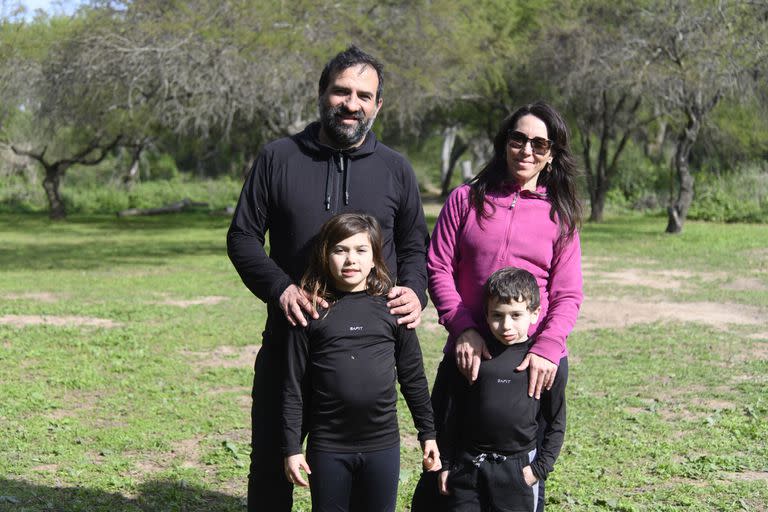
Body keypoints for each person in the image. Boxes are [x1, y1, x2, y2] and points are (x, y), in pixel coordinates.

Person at [227, 46, 429, 512]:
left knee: (359, 483)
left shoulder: (396, 169)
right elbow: (242, 237)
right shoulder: (279, 157)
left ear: (378, 105)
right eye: (341, 91)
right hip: (292, 341)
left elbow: (416, 244)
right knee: (272, 468)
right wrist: (281, 289)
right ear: (323, 94)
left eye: (364, 95)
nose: (351, 103)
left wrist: (414, 292)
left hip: (369, 356)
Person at [413, 101, 582, 511]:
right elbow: (437, 267)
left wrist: (547, 348)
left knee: (515, 491)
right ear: (504, 142)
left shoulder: (560, 215)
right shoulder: (465, 199)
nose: (526, 150)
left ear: (552, 153)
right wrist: (463, 327)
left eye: (539, 144)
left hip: (532, 361)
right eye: (518, 139)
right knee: (442, 484)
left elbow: (567, 294)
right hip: (470, 349)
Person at [282, 213, 441, 512]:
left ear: (374, 258)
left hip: (382, 445)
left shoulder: (394, 309)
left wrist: (428, 433)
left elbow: (413, 377)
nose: (350, 259)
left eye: (360, 250)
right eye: (340, 250)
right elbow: (293, 387)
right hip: (328, 447)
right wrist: (292, 447)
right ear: (325, 256)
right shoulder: (312, 313)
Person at [437, 267, 566, 512]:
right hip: (467, 468)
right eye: (497, 315)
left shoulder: (543, 365)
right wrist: (446, 464)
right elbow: (450, 415)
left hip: (517, 472)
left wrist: (537, 470)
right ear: (485, 315)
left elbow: (555, 422)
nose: (506, 325)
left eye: (516, 315)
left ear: (535, 313)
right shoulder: (472, 358)